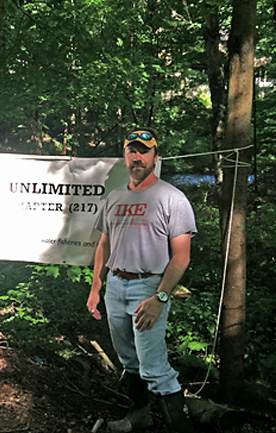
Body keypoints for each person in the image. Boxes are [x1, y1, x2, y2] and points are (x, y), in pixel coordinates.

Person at [86, 127, 196, 433]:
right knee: (129, 361)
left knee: (155, 368)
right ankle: (139, 418)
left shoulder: (172, 199)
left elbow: (182, 256)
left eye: (144, 151)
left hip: (149, 289)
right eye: (132, 151)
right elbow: (104, 246)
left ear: (155, 157)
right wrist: (97, 287)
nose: (137, 156)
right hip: (115, 288)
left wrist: (160, 298)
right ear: (125, 157)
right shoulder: (115, 197)